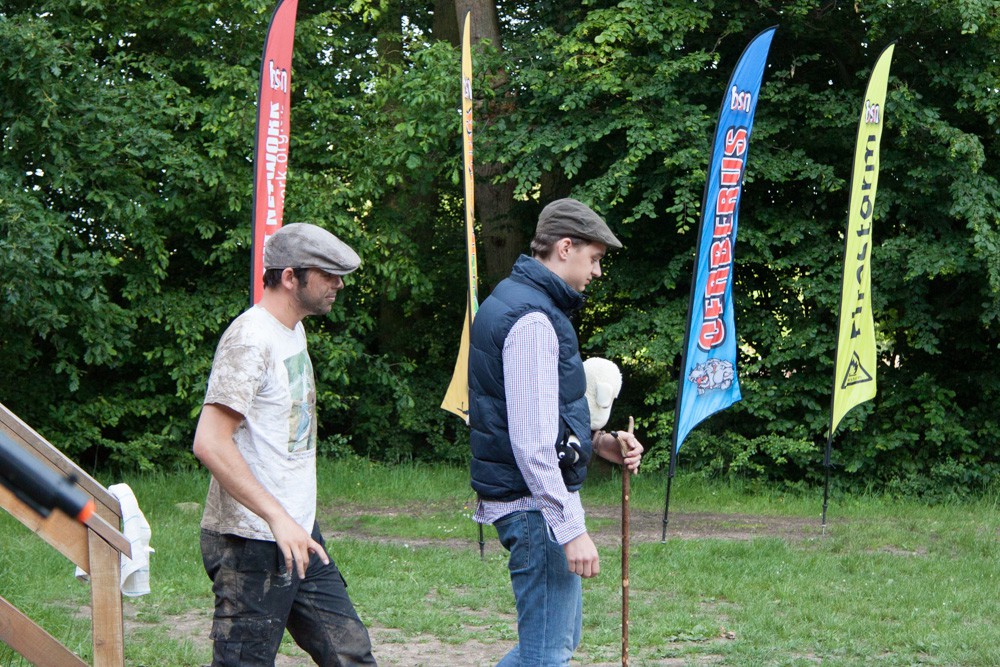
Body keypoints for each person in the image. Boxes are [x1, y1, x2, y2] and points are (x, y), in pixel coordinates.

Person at [468, 198, 644, 666]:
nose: (597, 272)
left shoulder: (520, 301)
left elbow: (540, 417)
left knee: (549, 646)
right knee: (548, 654)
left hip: (532, 504)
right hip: (535, 508)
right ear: (565, 247)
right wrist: (570, 528)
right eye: (595, 258)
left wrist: (599, 444)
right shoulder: (532, 320)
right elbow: (532, 445)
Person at [193, 223, 377, 667]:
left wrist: (292, 521)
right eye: (328, 274)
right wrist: (277, 517)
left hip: (298, 534)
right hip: (249, 541)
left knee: (350, 653)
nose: (338, 284)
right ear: (290, 277)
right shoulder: (250, 339)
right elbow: (210, 442)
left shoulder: (292, 330)